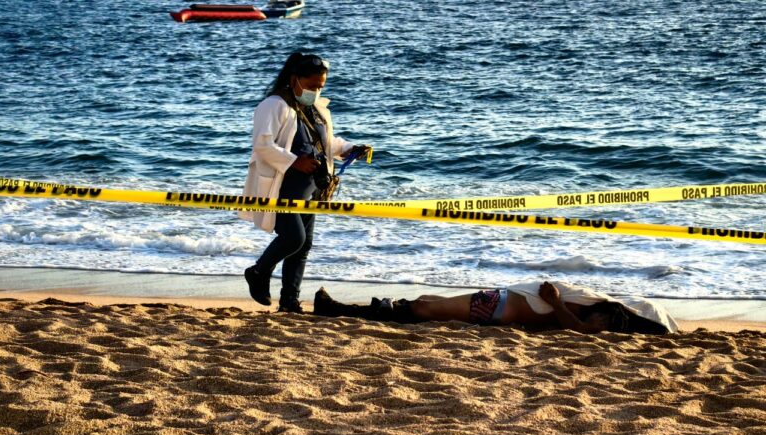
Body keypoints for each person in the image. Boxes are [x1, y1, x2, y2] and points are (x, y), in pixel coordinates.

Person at [240, 52, 370, 312]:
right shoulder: (274, 105)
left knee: (304, 245)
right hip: (285, 185)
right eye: (311, 86)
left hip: (313, 187)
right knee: (293, 238)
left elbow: (325, 143)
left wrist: (351, 148)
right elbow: (262, 145)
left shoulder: (316, 108)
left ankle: (290, 301)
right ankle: (258, 271)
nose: (316, 91)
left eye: (320, 86)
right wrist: (294, 161)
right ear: (294, 79)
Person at [312, 281, 678, 334]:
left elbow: (578, 329)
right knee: (424, 305)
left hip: (500, 307)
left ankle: (336, 309)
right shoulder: (606, 304)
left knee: (420, 308)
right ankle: (339, 308)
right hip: (501, 301)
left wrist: (551, 301)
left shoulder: (609, 314)